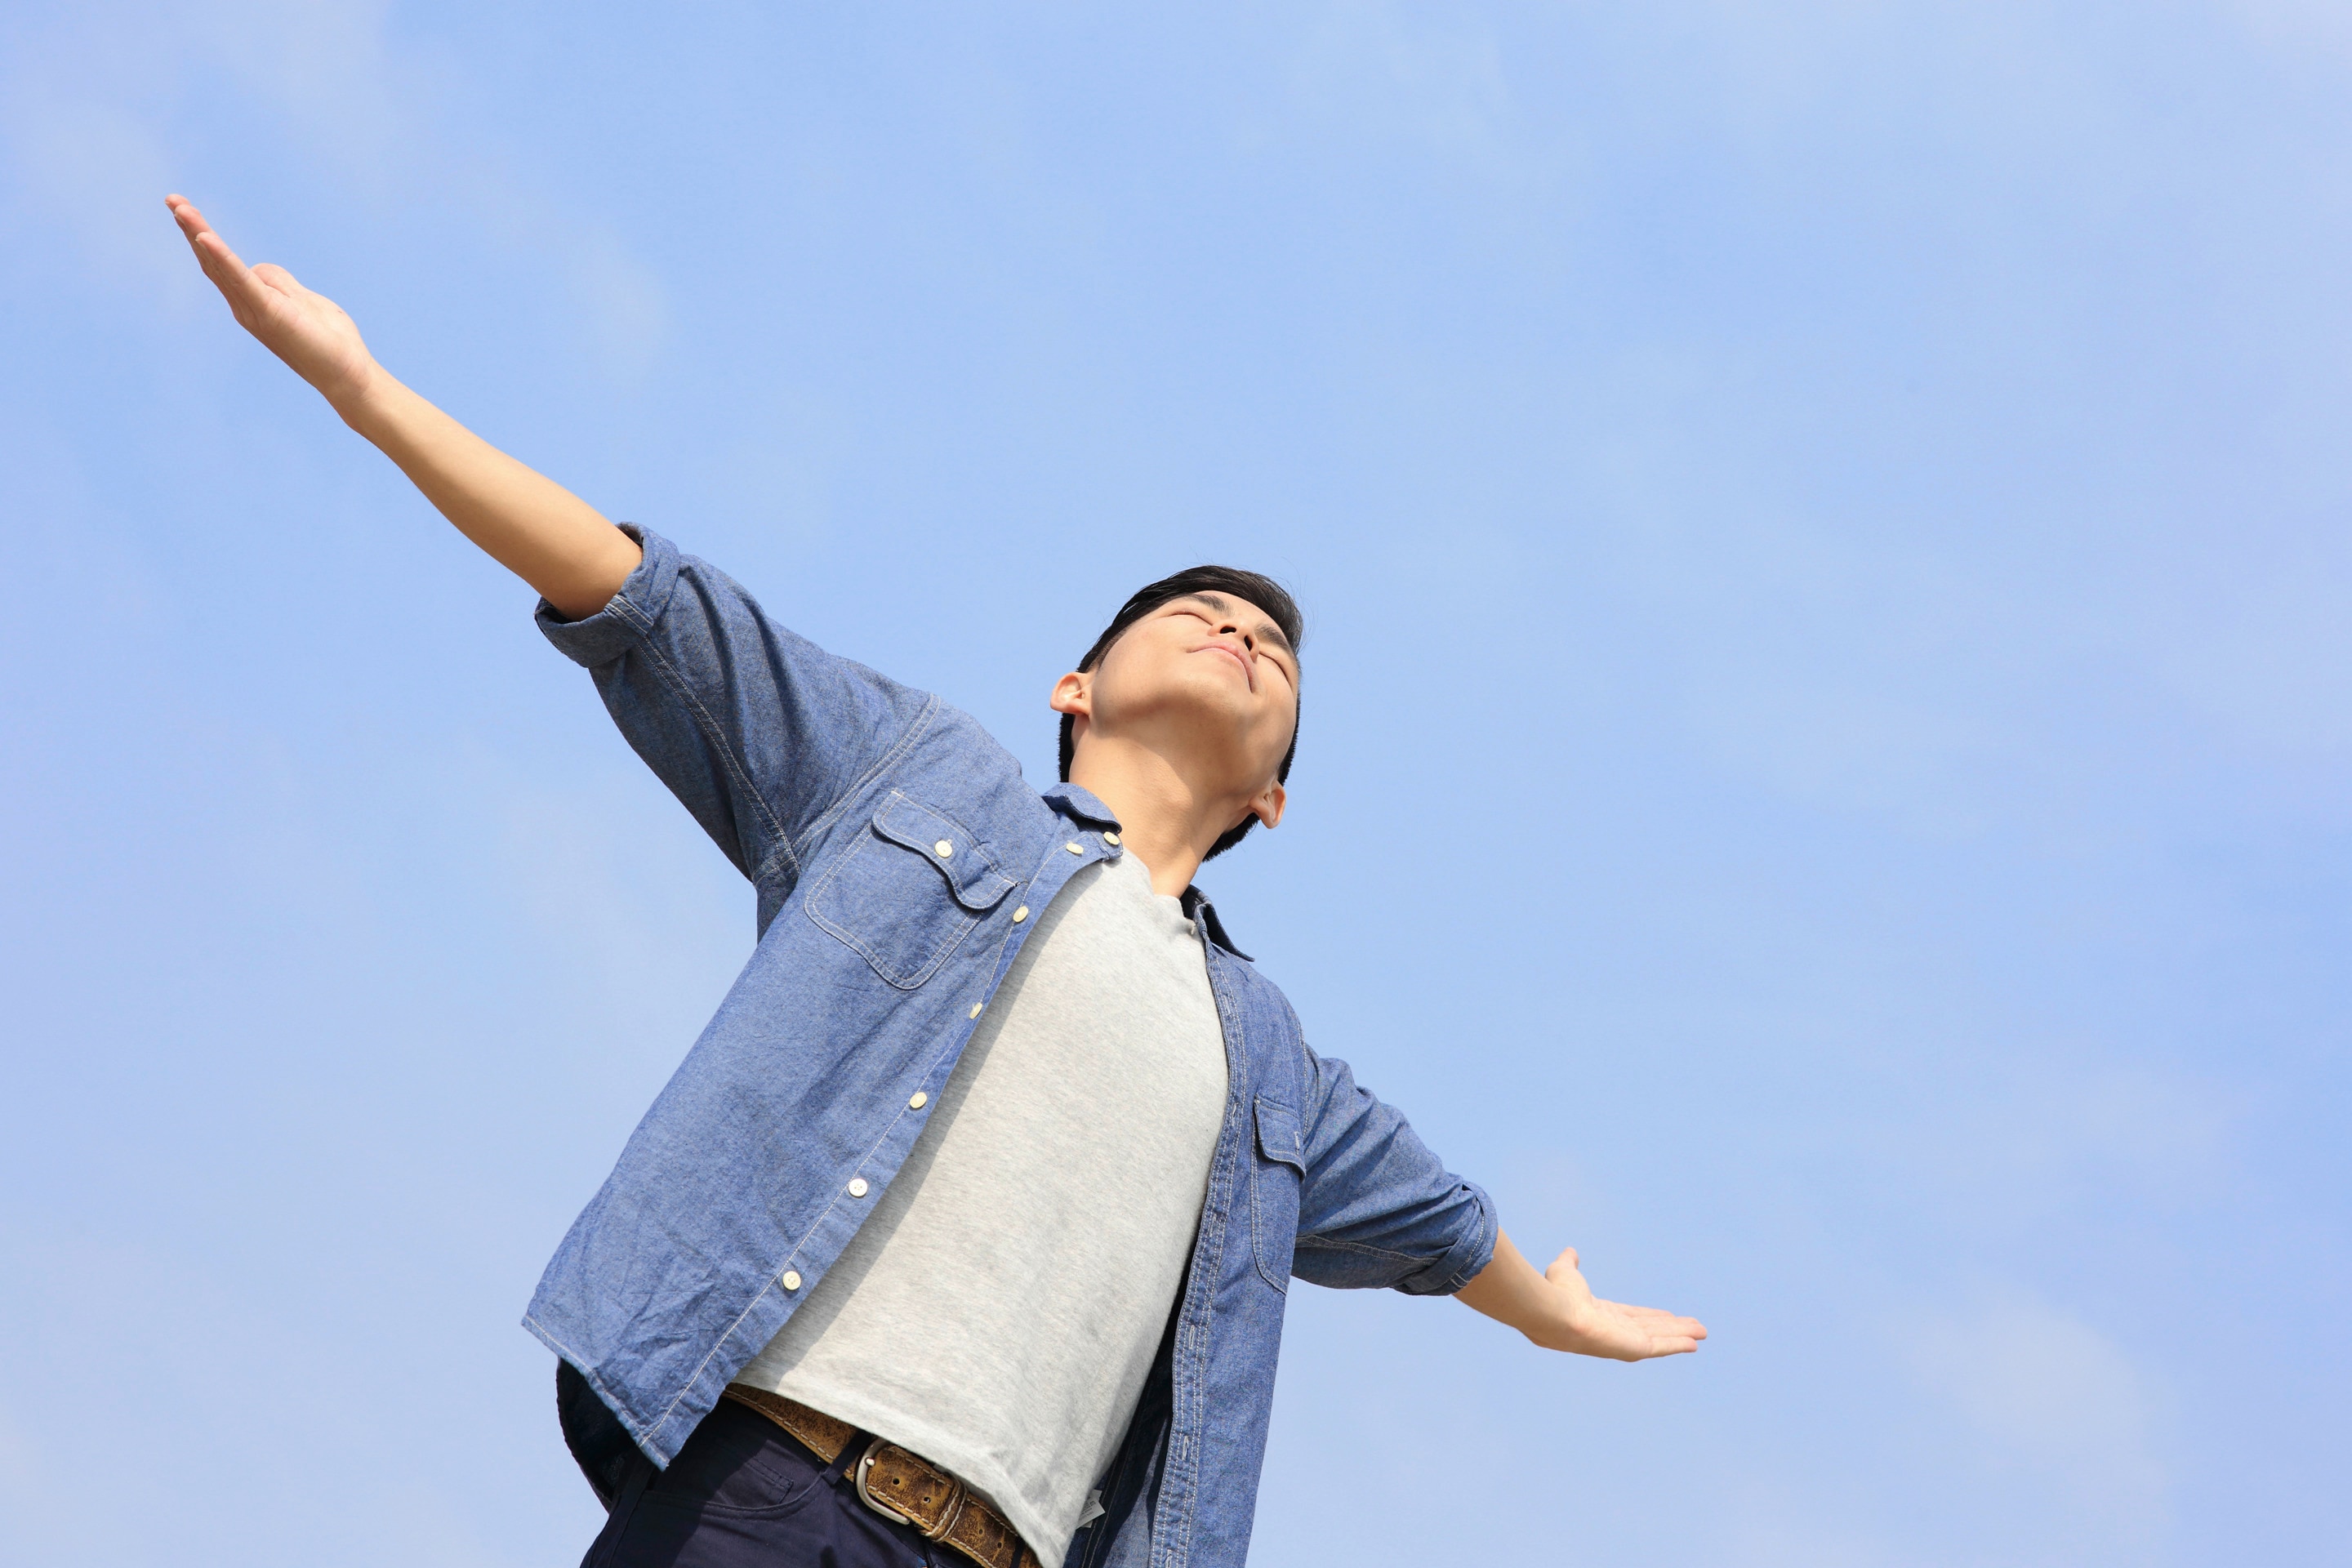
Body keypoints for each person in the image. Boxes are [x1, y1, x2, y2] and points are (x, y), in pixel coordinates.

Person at [167, 194, 1707, 1568]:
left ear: (1278, 798)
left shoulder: (1273, 1068)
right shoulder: (922, 781)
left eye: (1276, 646)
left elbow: (1438, 1224)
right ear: (1076, 686)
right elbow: (648, 600)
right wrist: (365, 391)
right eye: (1196, 610)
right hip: (765, 1488)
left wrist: (1552, 1309)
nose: (1243, 628)